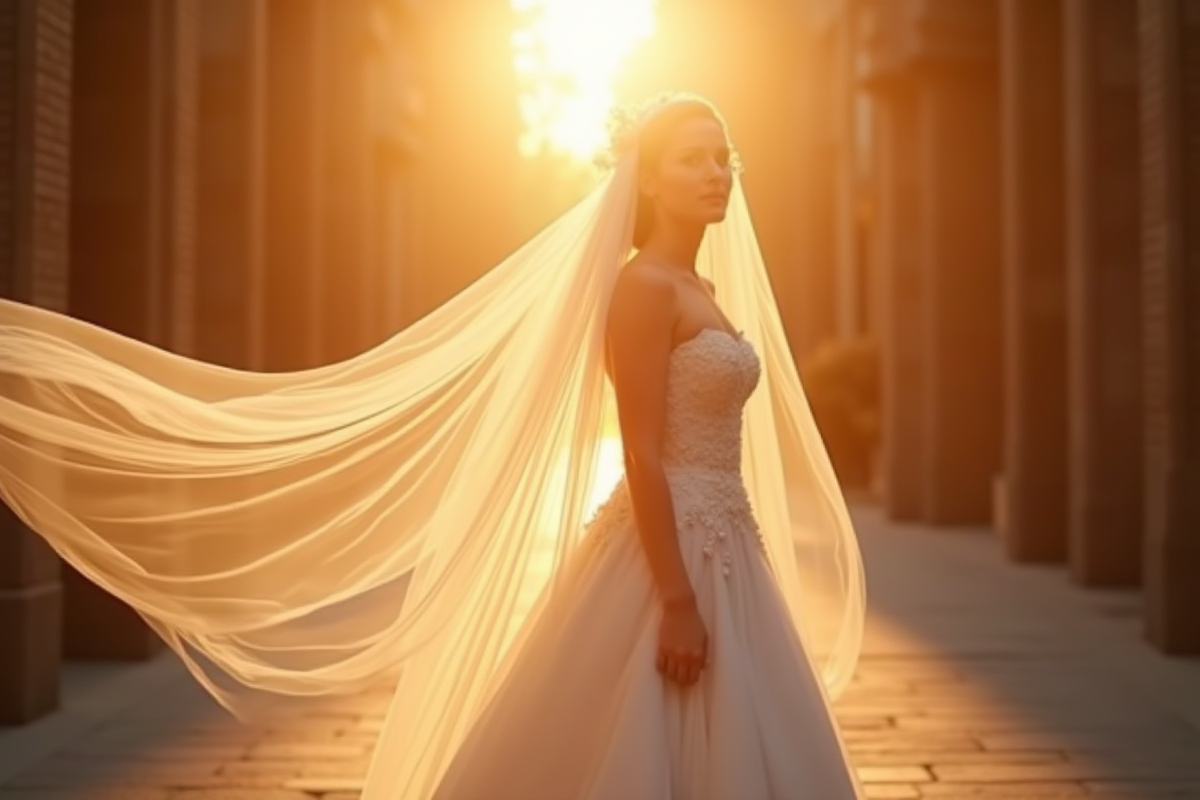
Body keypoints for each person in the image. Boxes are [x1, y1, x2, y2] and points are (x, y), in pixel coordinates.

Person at [0, 93, 866, 799]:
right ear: (651, 178)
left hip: (729, 545)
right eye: (693, 158)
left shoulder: (701, 288)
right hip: (669, 550)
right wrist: (674, 597)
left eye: (723, 156)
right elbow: (640, 451)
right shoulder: (642, 289)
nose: (716, 173)